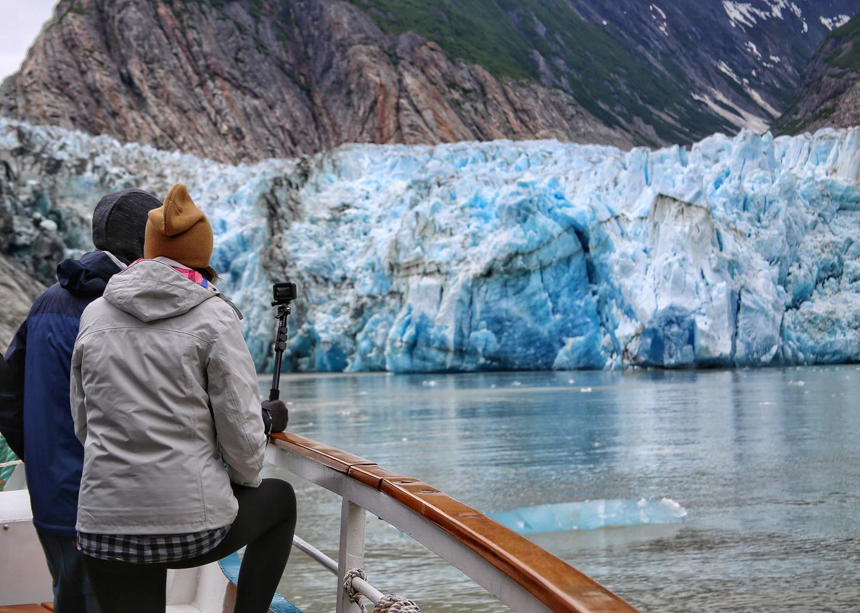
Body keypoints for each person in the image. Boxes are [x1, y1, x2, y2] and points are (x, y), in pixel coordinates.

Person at [70, 183, 294, 613]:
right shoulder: (214, 315)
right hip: (190, 531)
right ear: (201, 256)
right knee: (280, 500)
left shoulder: (95, 312)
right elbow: (242, 433)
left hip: (103, 526)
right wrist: (238, 481)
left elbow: (83, 420)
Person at [0, 188, 163, 613]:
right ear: (146, 242)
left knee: (70, 599)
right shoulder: (121, 310)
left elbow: (6, 393)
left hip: (52, 497)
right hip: (105, 505)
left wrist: (41, 458)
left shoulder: (45, 303)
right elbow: (161, 403)